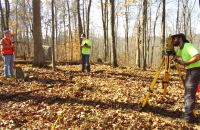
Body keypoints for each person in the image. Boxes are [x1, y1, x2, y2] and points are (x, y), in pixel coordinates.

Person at [172, 33, 200, 124]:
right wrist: (171, 52)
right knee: (189, 94)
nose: (173, 41)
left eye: (174, 39)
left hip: (194, 70)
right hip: (190, 71)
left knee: (189, 95)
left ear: (180, 39)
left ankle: (188, 118)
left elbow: (197, 57)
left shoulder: (188, 46)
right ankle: (191, 116)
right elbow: (176, 56)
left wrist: (185, 63)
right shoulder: (182, 49)